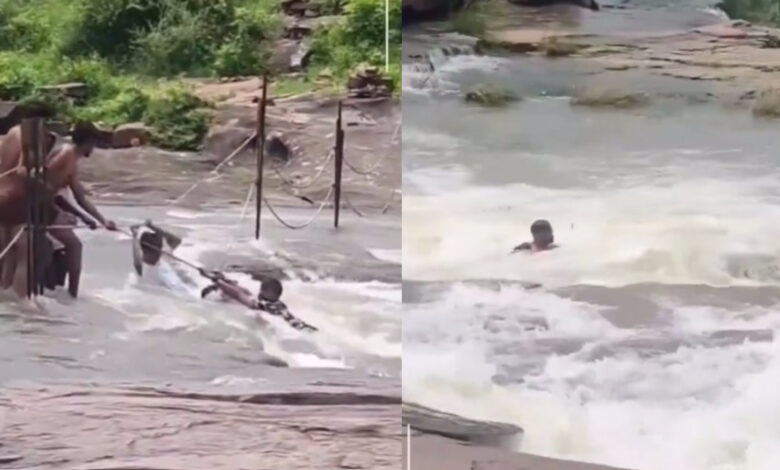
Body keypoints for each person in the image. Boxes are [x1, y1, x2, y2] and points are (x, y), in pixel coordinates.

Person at [201, 271, 317, 332]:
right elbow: (246, 292)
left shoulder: (264, 305)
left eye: (262, 289)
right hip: (301, 327)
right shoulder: (278, 304)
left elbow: (239, 295)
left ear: (268, 293)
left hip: (292, 330)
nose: (259, 292)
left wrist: (218, 282)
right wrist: (226, 281)